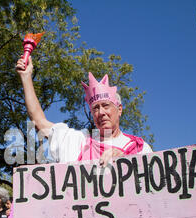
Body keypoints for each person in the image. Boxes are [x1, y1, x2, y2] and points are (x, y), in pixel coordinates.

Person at [15, 56, 152, 166]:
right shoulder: (76, 141)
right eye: (95, 108)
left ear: (119, 109)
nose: (101, 112)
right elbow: (39, 122)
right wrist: (26, 77)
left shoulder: (139, 148)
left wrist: (128, 162)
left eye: (106, 105)